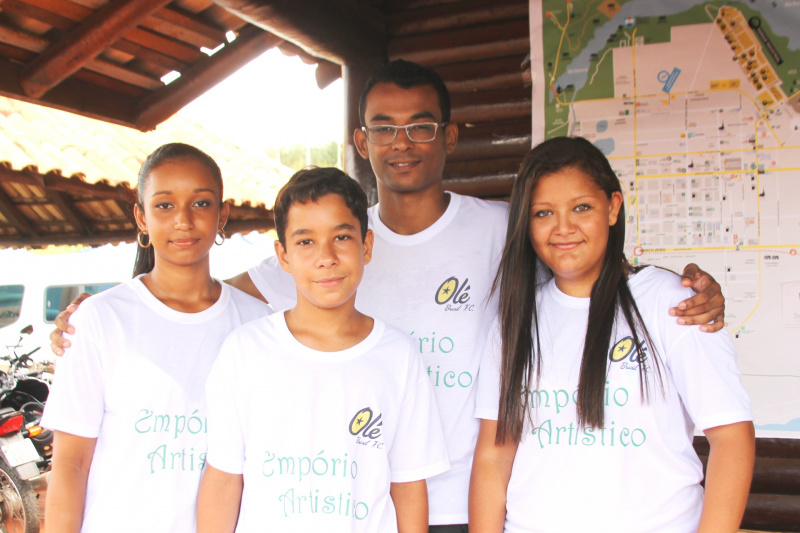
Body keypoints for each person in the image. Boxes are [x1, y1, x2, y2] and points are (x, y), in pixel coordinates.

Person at [50, 60, 727, 532]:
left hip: (475, 501)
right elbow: (204, 293)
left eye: (421, 126)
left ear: (449, 136)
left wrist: (685, 286)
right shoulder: (327, 237)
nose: (402, 143)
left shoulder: (499, 228)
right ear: (360, 140)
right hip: (360, 501)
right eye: (383, 127)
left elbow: (581, 266)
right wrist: (111, 310)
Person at [469, 137, 755, 533]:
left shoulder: (671, 303)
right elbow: (494, 456)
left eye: (581, 207)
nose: (563, 227)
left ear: (613, 207)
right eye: (543, 213)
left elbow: (731, 438)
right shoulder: (517, 318)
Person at [196, 167, 449, 533]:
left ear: (366, 246)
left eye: (342, 237)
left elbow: (408, 487)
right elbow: (222, 480)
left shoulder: (398, 355)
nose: (326, 257)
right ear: (282, 256)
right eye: (305, 242)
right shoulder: (245, 350)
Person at [41, 143, 270, 533]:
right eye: (164, 205)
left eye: (200, 204)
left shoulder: (258, 325)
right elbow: (70, 465)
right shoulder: (99, 319)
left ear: (223, 214)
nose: (183, 220)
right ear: (141, 217)